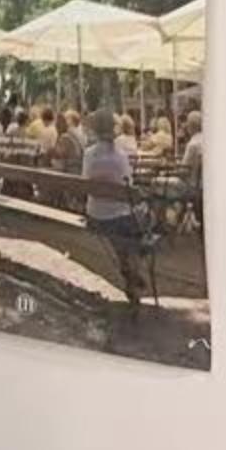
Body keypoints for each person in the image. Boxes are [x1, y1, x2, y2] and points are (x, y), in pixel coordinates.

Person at [83, 107, 147, 305]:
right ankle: (131, 270)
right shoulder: (120, 156)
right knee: (136, 223)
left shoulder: (89, 154)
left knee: (121, 235)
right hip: (119, 218)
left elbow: (85, 181)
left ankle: (128, 271)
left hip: (95, 215)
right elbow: (128, 185)